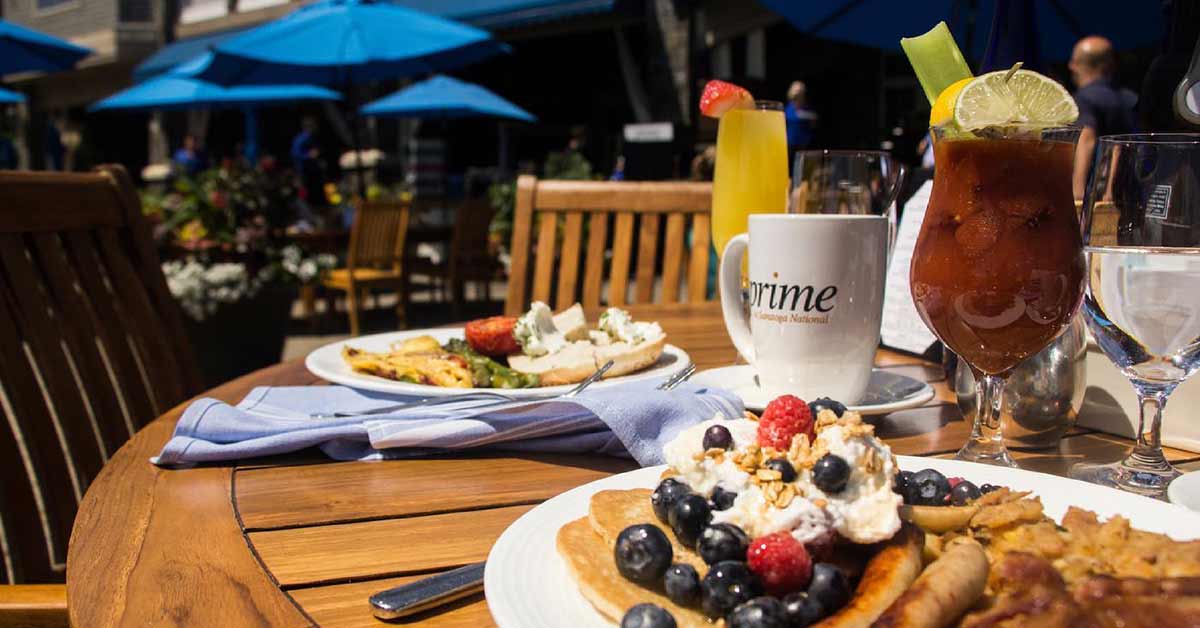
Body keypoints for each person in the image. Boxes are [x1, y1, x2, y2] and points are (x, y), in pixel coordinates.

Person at [1069, 35, 1139, 200]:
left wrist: (1077, 194)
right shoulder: (1129, 98)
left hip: (1097, 192)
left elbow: (1086, 139)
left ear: (1075, 65)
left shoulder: (1083, 99)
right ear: (1110, 65)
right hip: (1127, 189)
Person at [291, 116, 324, 208]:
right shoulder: (302, 138)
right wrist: (308, 155)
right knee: (305, 193)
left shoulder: (311, 137)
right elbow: (295, 153)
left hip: (312, 170)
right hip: (304, 171)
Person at [785, 81, 818, 161]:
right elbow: (790, 117)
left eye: (801, 92)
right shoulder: (789, 108)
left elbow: (814, 122)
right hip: (790, 143)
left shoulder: (807, 108)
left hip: (804, 144)